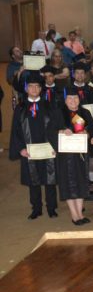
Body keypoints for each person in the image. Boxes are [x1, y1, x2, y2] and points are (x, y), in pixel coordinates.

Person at [9, 73, 58, 219]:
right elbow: (15, 130)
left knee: (50, 179)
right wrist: (20, 149)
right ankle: (36, 208)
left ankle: (51, 208)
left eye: (37, 86)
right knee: (33, 179)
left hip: (47, 149)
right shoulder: (20, 108)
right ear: (26, 89)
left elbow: (55, 127)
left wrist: (55, 146)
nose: (34, 89)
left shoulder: (49, 106)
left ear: (41, 88)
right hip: (29, 150)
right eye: (31, 86)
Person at [49, 91, 92, 225]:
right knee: (68, 183)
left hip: (80, 155)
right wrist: (61, 131)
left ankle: (80, 213)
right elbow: (49, 131)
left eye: (75, 98)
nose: (73, 101)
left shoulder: (85, 113)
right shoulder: (58, 113)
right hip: (65, 156)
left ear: (79, 99)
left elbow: (92, 128)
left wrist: (88, 133)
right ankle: (74, 215)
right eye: (70, 98)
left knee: (80, 182)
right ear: (65, 100)